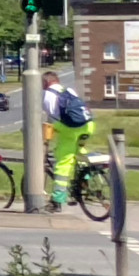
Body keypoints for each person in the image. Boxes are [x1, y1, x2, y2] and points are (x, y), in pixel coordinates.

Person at [41, 70, 92, 208]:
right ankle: (84, 181)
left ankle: (57, 201)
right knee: (80, 152)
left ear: (45, 83)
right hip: (88, 125)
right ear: (57, 80)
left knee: (63, 164)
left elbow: (53, 118)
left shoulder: (48, 95)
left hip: (71, 130)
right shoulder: (69, 90)